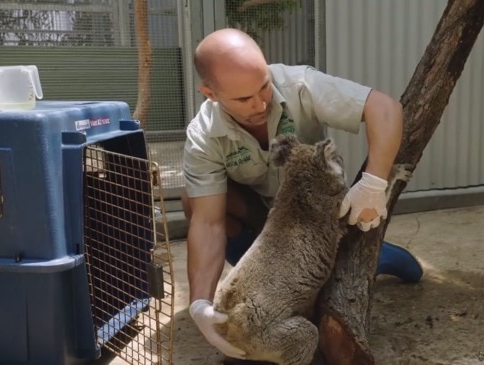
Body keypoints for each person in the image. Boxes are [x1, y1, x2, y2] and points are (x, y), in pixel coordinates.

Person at [181, 28, 423, 358]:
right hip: (269, 228)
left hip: (318, 220)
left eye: (263, 86)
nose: (260, 103)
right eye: (243, 99)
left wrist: (374, 184)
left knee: (392, 268)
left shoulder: (298, 84)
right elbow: (207, 223)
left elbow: (385, 108)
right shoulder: (202, 135)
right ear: (210, 93)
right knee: (193, 200)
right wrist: (199, 304)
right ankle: (276, 288)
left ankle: (373, 255)